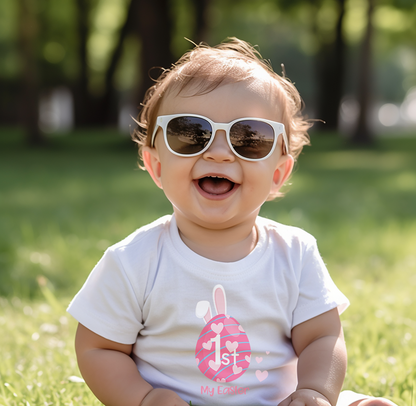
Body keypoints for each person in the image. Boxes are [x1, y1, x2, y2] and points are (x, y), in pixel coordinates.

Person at [67, 38, 397, 406]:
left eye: (250, 138)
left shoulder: (295, 253)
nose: (220, 153)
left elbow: (322, 338)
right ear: (156, 165)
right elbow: (98, 347)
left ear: (278, 173)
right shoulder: (133, 261)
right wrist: (144, 398)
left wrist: (314, 391)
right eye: (191, 134)